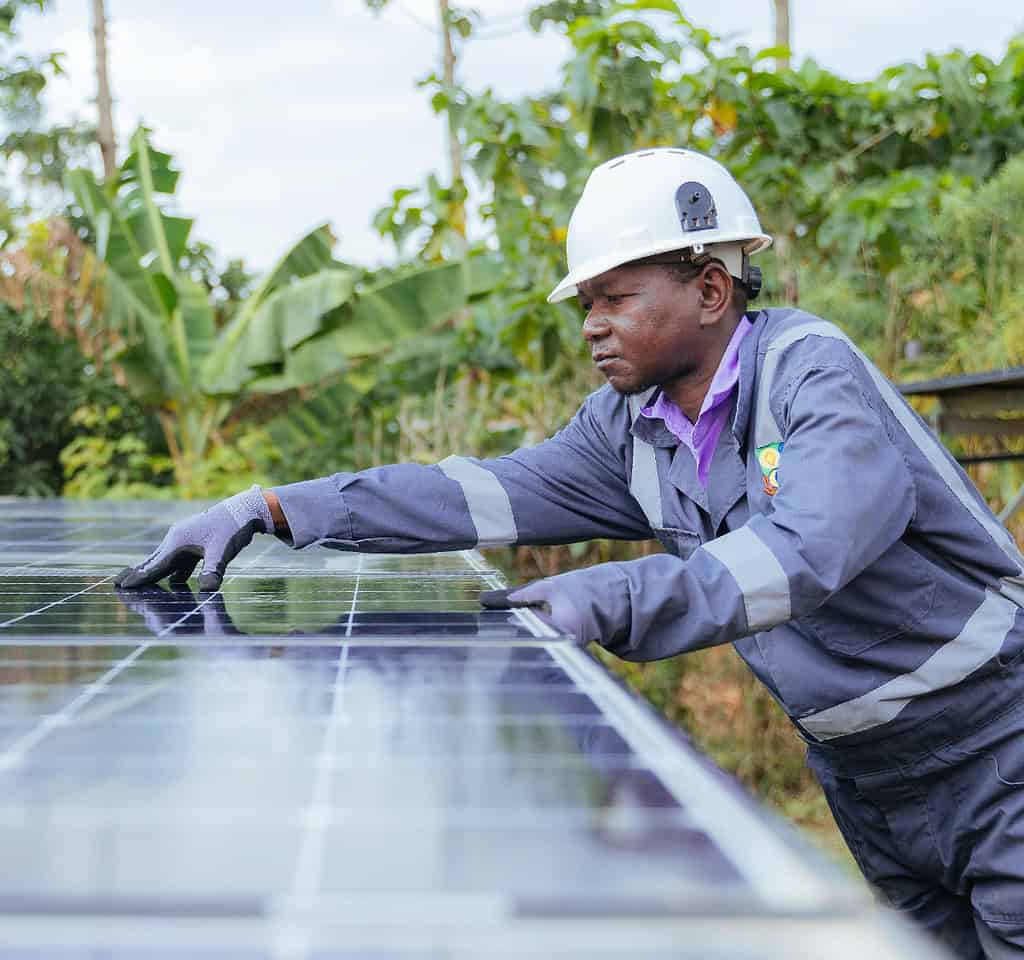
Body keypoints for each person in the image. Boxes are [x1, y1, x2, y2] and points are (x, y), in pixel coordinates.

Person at [116, 147, 1024, 958]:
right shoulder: (631, 429)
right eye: (586, 303)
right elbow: (471, 492)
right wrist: (277, 506)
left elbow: (809, 549)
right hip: (866, 778)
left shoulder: (810, 374)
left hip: (998, 745)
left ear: (711, 289)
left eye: (616, 298)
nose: (591, 324)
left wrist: (618, 597)